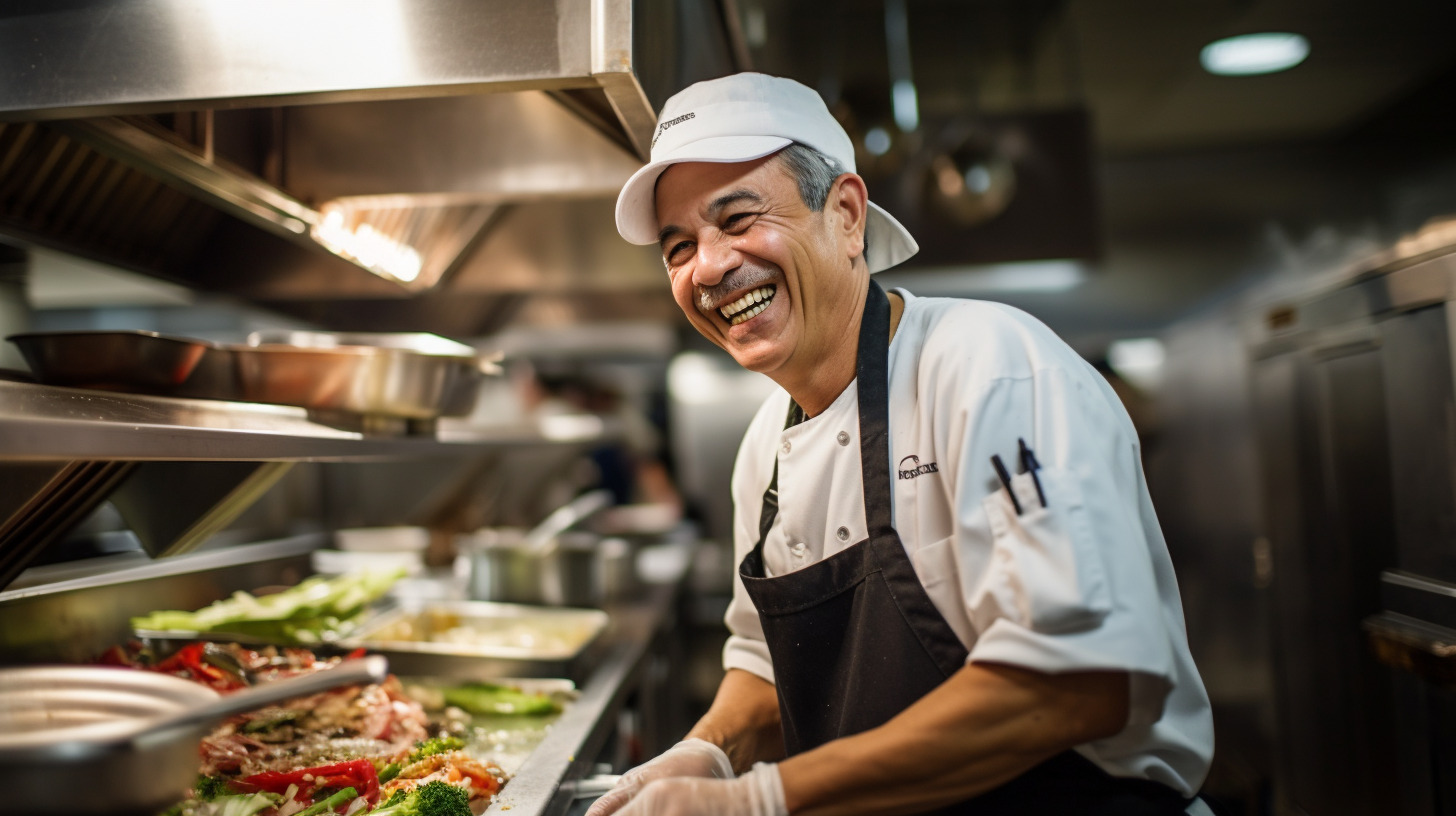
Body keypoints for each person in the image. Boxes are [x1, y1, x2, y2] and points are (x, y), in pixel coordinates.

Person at [590, 72, 1215, 816]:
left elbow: (1079, 681)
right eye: (678, 247)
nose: (710, 267)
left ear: (847, 215)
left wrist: (763, 800)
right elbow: (759, 659)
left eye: (738, 218)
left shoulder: (988, 365)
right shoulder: (765, 445)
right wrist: (711, 749)